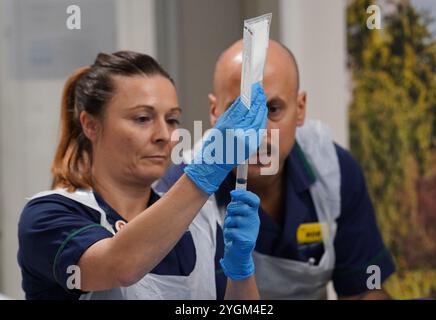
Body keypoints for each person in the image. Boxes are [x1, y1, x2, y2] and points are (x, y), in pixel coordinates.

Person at [17, 51, 267, 300]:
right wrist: (208, 169)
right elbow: (120, 267)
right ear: (90, 125)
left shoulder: (200, 224)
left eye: (172, 120)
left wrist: (241, 272)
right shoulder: (48, 215)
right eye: (142, 118)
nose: (163, 135)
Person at [161, 40, 396, 299]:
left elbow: (364, 291)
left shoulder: (334, 171)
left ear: (300, 108)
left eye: (273, 110)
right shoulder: (179, 191)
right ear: (215, 112)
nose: (257, 133)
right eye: (239, 112)